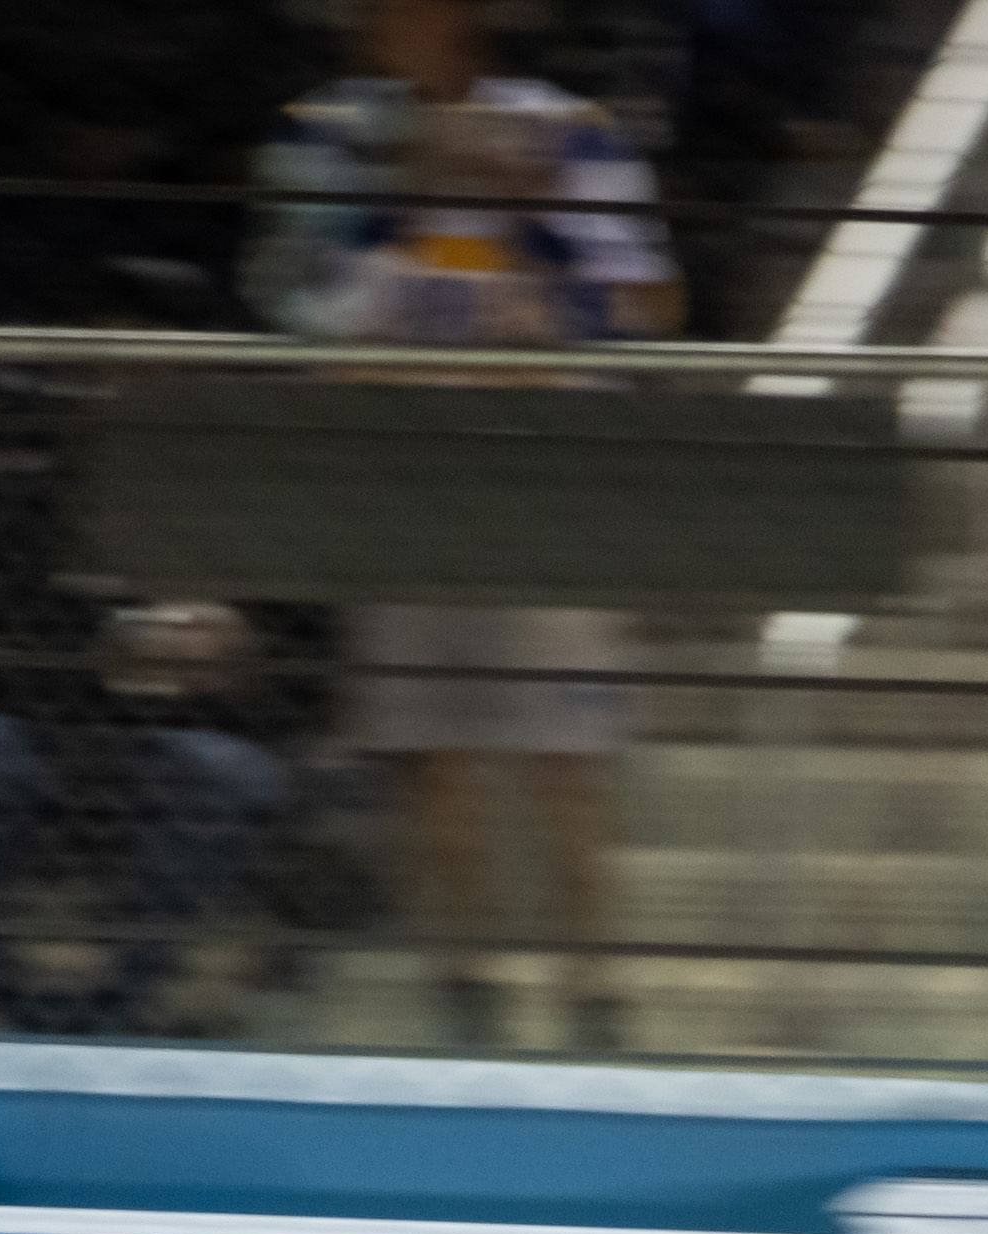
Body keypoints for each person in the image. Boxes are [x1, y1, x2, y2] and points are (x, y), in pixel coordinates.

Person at [248, 0, 678, 1053]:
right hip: (403, 475)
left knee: (564, 752)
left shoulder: (567, 129)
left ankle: (596, 997)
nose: (388, 22)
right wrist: (392, 213)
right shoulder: (328, 131)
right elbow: (280, 294)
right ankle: (466, 994)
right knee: (433, 750)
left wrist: (528, 216)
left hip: (550, 478)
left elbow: (650, 301)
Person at [0, 598, 291, 1035]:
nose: (187, 630)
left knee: (227, 777)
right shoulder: (94, 606)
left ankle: (123, 999)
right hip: (36, 733)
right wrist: (123, 651)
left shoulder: (223, 696)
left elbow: (256, 722)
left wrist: (200, 669)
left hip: (162, 756)